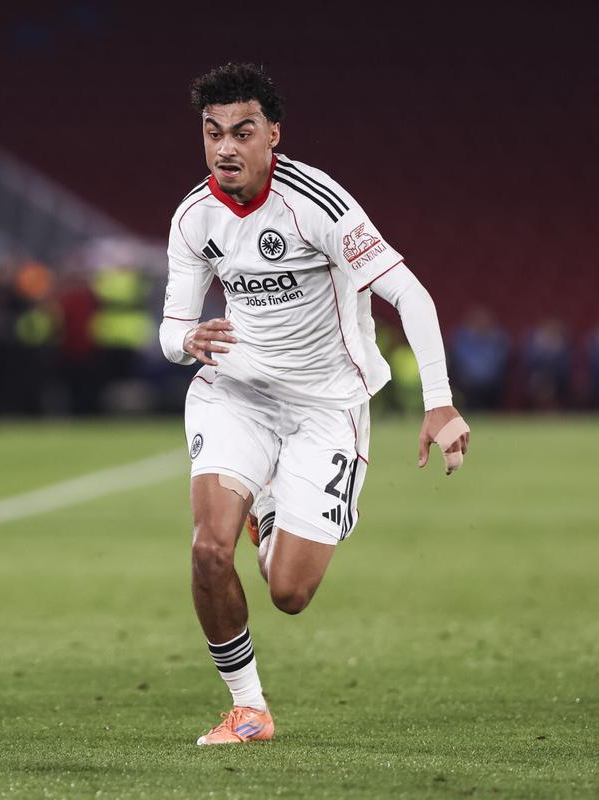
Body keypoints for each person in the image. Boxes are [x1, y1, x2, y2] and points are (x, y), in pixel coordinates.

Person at [159, 64, 470, 746]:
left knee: (289, 593)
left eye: (242, 132)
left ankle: (269, 512)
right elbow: (171, 330)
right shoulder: (193, 217)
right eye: (212, 133)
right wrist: (186, 339)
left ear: (273, 134)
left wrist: (439, 404)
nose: (225, 148)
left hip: (327, 407)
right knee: (208, 549)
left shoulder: (318, 205)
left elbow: (410, 294)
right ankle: (248, 709)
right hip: (235, 393)